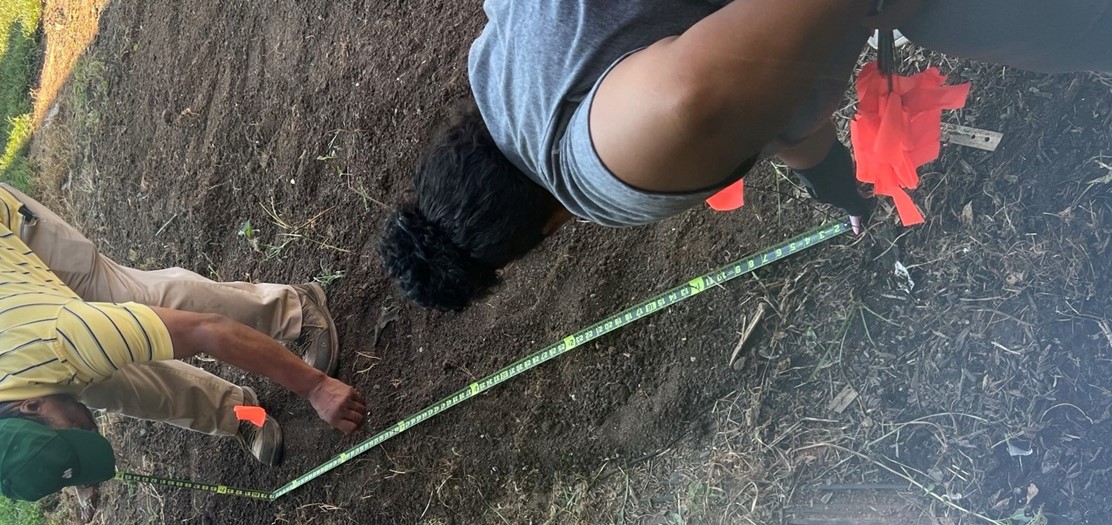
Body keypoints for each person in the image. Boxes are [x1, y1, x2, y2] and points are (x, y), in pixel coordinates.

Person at [378, 0, 1112, 311]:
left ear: (536, 236)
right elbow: (766, 97)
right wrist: (826, 173)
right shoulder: (503, 42)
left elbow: (694, 99)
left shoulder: (585, 167)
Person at [0, 183, 366, 501]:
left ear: (32, 407)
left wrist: (315, 387)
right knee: (124, 390)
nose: (90, 432)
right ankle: (243, 412)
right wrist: (65, 467)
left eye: (78, 435)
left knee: (141, 298)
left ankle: (294, 311)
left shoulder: (65, 339)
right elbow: (20, 452)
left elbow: (205, 331)